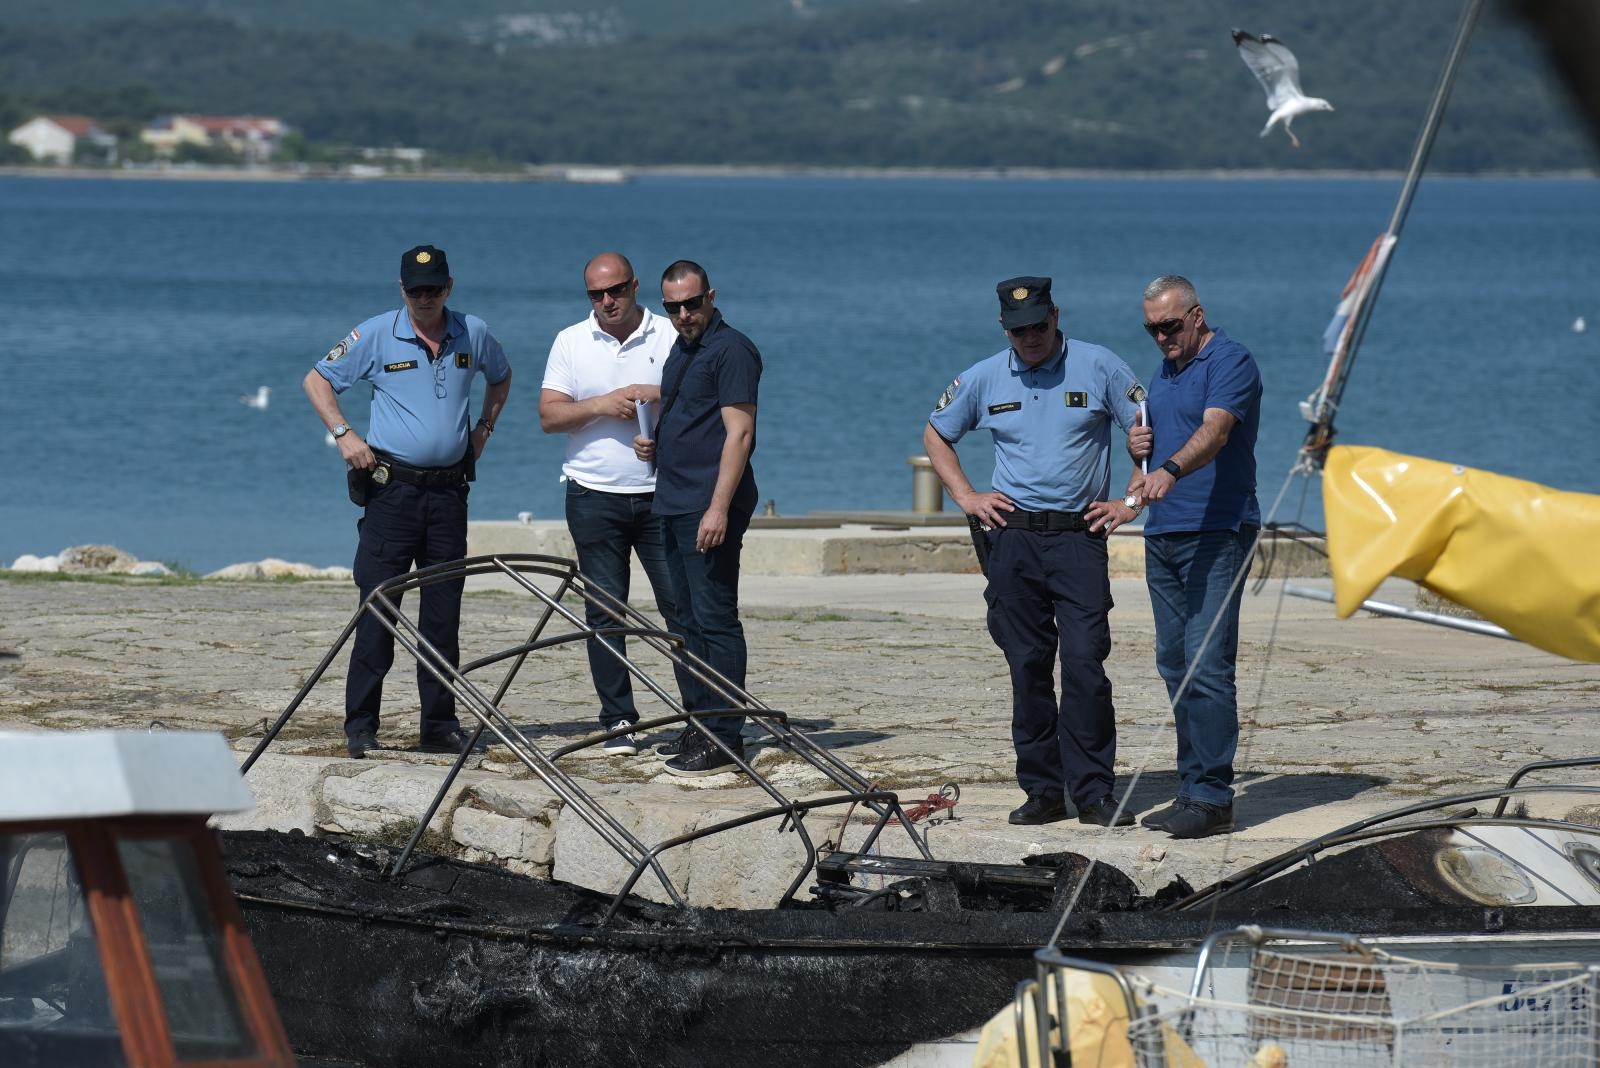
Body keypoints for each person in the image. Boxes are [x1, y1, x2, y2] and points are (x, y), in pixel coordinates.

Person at [924, 277, 1145, 828]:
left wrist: (1132, 501)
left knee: (1086, 664)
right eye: (1018, 330)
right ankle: (1043, 789)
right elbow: (935, 434)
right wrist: (968, 496)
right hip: (1013, 539)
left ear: (1056, 317)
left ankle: (1093, 790)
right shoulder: (984, 376)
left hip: (1079, 537)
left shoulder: (1099, 366)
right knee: (1027, 665)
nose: (1031, 339)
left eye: (1039, 327)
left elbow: (1146, 428)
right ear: (1005, 329)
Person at [303, 244, 513, 759]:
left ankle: (439, 725)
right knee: (379, 607)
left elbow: (501, 376)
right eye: (416, 290)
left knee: (443, 615)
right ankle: (361, 726)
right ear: (402, 290)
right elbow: (317, 380)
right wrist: (344, 435)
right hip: (392, 491)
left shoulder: (473, 331)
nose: (425, 298)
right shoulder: (376, 333)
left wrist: (483, 429)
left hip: (448, 494)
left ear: (449, 287)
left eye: (434, 289)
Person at [1122, 274, 1263, 840]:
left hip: (1219, 529)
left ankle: (1211, 797)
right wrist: (1129, 494)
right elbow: (1151, 451)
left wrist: (1169, 471)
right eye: (1151, 329)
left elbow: (1215, 432)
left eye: (1170, 326)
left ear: (1196, 315)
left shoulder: (1230, 361)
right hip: (1165, 533)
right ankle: (1191, 786)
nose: (1160, 337)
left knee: (1207, 664)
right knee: (1175, 664)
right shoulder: (1164, 371)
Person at [540, 252, 685, 757]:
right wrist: (604, 403)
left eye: (616, 290)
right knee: (604, 613)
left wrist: (656, 397)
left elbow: (701, 401)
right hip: (593, 496)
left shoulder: (669, 333)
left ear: (635, 286)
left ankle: (699, 715)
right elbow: (548, 416)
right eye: (596, 294)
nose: (607, 302)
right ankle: (619, 719)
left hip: (660, 494)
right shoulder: (571, 341)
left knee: (680, 609)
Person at [632, 260, 761, 777]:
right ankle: (700, 722)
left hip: (707, 506)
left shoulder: (732, 349)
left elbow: (740, 434)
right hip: (672, 499)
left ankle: (725, 734)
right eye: (673, 307)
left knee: (714, 619)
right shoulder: (684, 348)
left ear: (711, 295)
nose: (684, 314)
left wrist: (718, 507)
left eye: (692, 303)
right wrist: (655, 442)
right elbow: (690, 413)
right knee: (683, 622)